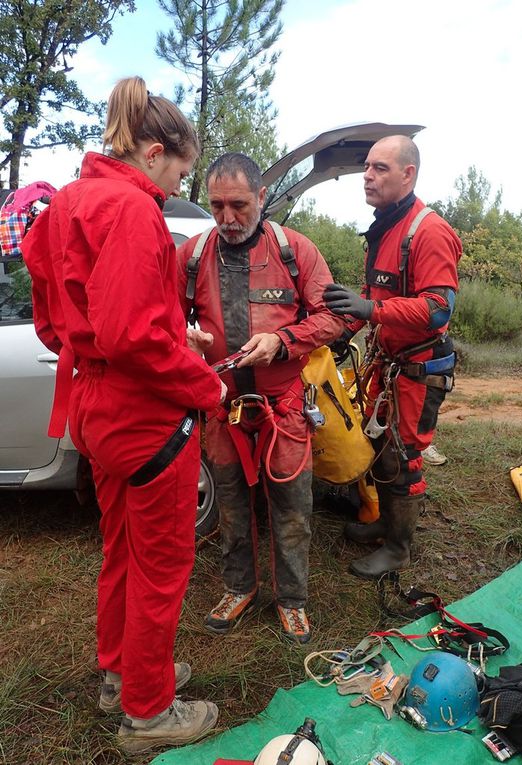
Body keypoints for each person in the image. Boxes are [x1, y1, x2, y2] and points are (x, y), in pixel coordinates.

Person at [21, 76, 225, 754]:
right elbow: (133, 334)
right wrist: (203, 382)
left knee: (121, 549)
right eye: (179, 171)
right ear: (155, 151)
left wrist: (164, 336)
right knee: (162, 562)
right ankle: (147, 708)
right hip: (145, 420)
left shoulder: (68, 202)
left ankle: (122, 670)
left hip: (93, 408)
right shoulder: (135, 211)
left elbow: (62, 319)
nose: (174, 187)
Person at [177, 153, 344, 644]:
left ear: (263, 197)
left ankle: (292, 601)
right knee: (229, 500)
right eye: (217, 206)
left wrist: (284, 341)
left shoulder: (296, 251)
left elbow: (336, 317)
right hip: (222, 409)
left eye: (239, 205)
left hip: (284, 406)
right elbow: (163, 318)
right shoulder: (191, 255)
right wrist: (185, 339)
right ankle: (238, 587)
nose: (227, 218)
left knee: (292, 505)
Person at [323, 135, 461, 579]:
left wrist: (371, 311)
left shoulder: (428, 231)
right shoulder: (383, 229)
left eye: (380, 168)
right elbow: (372, 295)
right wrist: (346, 330)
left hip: (419, 369)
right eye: (366, 166)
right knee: (382, 445)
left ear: (409, 174)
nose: (367, 175)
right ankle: (385, 521)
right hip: (388, 364)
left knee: (403, 456)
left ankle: (399, 549)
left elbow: (439, 307)